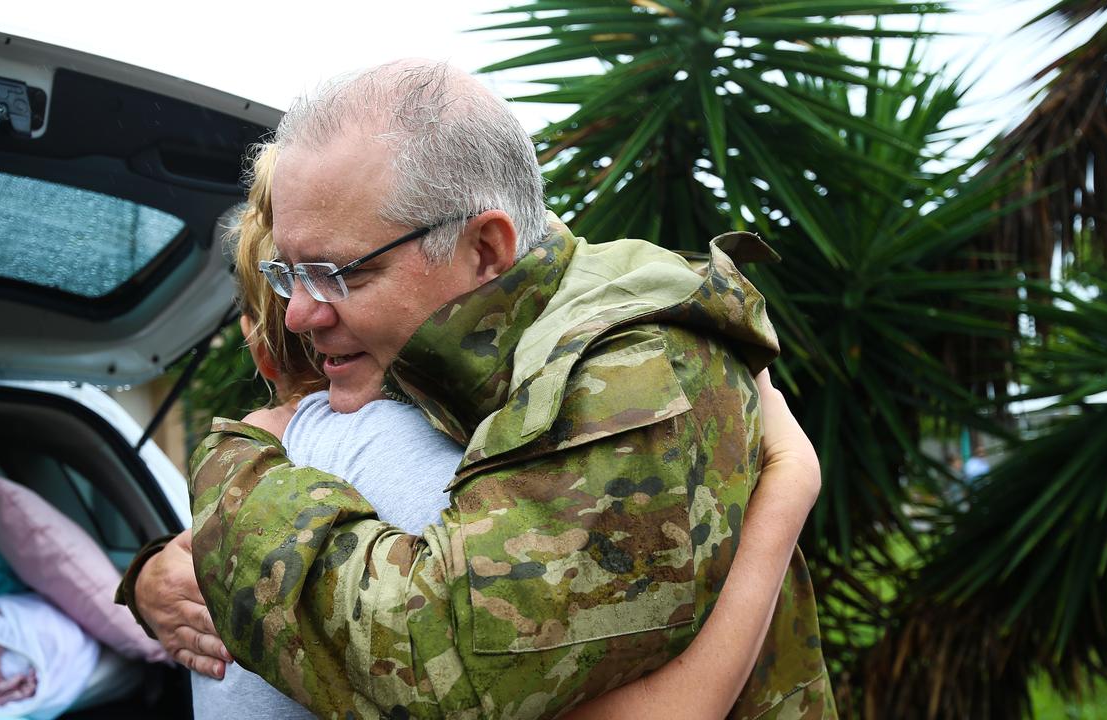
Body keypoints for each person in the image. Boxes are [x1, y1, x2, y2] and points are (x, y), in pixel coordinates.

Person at [133, 60, 833, 718]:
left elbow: (446, 666)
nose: (297, 314)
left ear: (486, 250)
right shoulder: (469, 345)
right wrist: (154, 575)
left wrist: (237, 470)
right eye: (289, 272)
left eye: (338, 273)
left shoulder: (631, 368)